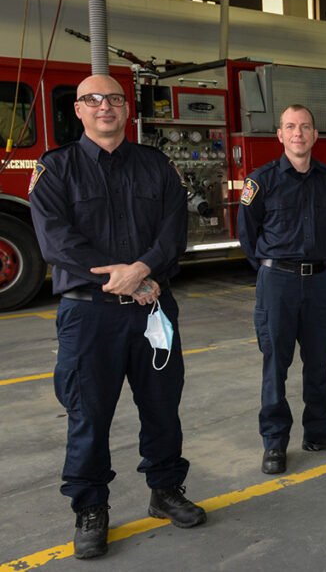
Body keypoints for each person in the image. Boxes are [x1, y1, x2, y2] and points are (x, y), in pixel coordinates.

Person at [29, 74, 206, 559]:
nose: (104, 106)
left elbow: (174, 231)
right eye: (93, 99)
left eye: (113, 99)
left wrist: (145, 269)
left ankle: (166, 490)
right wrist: (122, 277)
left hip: (153, 309)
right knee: (88, 414)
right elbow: (54, 240)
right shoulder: (56, 169)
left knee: (162, 405)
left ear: (127, 109)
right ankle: (91, 508)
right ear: (79, 111)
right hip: (89, 316)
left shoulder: (157, 166)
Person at [237, 105, 326, 476]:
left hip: (319, 280)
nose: (298, 133)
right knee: (276, 364)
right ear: (280, 135)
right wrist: (270, 270)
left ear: (315, 134)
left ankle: (319, 432)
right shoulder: (262, 180)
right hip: (278, 282)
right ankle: (274, 443)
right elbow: (247, 232)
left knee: (318, 361)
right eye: (291, 127)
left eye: (305, 127)